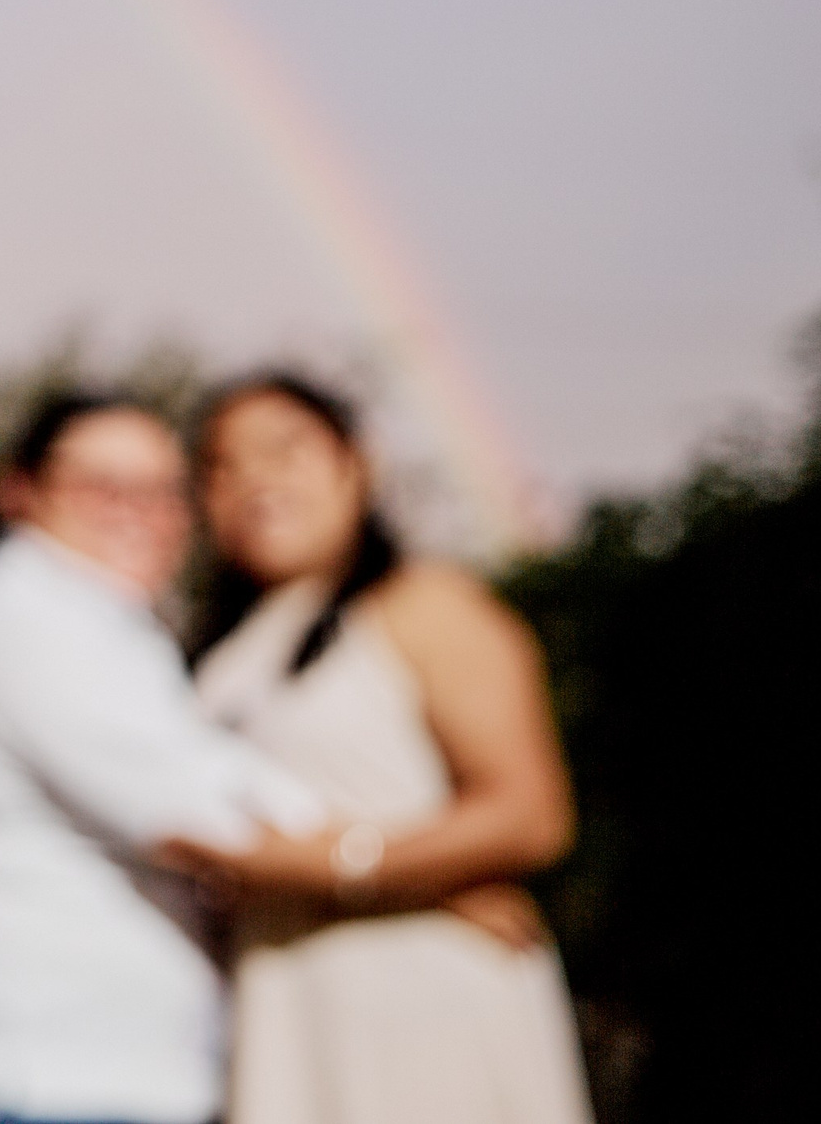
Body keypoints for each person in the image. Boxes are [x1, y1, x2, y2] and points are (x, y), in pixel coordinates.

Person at [0, 392, 326, 1124]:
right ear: (18, 490)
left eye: (165, 491)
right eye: (103, 486)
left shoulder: (107, 624)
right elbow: (196, 812)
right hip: (30, 1073)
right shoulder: (19, 611)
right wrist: (411, 864)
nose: (139, 511)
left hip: (90, 1072)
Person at [166, 373, 595, 1124]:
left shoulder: (426, 603)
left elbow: (531, 814)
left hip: (415, 999)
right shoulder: (227, 649)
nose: (252, 480)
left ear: (354, 463)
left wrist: (352, 867)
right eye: (221, 467)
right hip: (283, 993)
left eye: (283, 450)